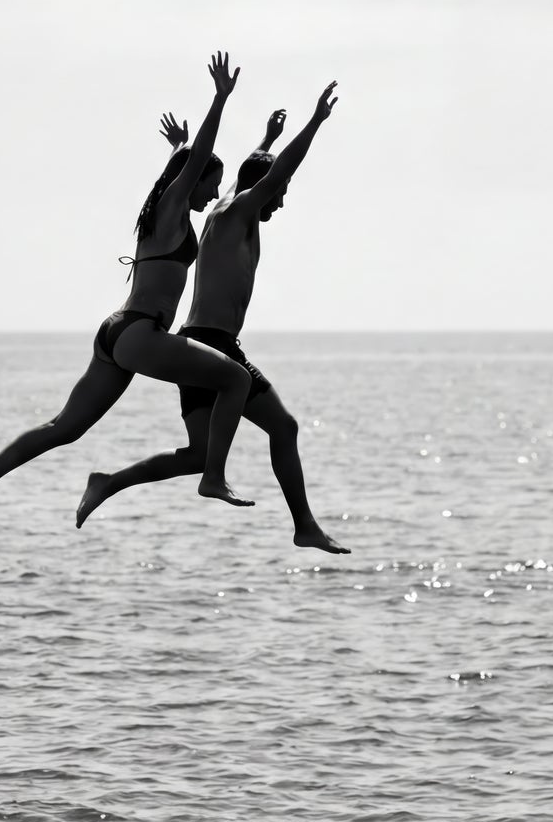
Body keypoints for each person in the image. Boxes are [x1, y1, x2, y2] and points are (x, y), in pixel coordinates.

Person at [0, 52, 257, 527]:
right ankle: (212, 475)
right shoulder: (172, 208)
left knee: (63, 429)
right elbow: (194, 164)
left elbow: (188, 166)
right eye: (208, 185)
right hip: (141, 335)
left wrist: (182, 145)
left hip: (118, 333)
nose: (212, 195)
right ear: (188, 181)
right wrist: (218, 101)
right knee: (237, 379)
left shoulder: (165, 212)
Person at [75, 81, 349, 554]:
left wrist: (266, 137)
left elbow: (258, 168)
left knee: (199, 453)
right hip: (214, 344)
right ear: (262, 189)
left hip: (206, 339)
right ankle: (301, 523)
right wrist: (315, 124)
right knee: (283, 428)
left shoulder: (226, 208)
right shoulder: (240, 209)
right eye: (279, 193)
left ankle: (108, 482)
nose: (280, 202)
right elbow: (273, 173)